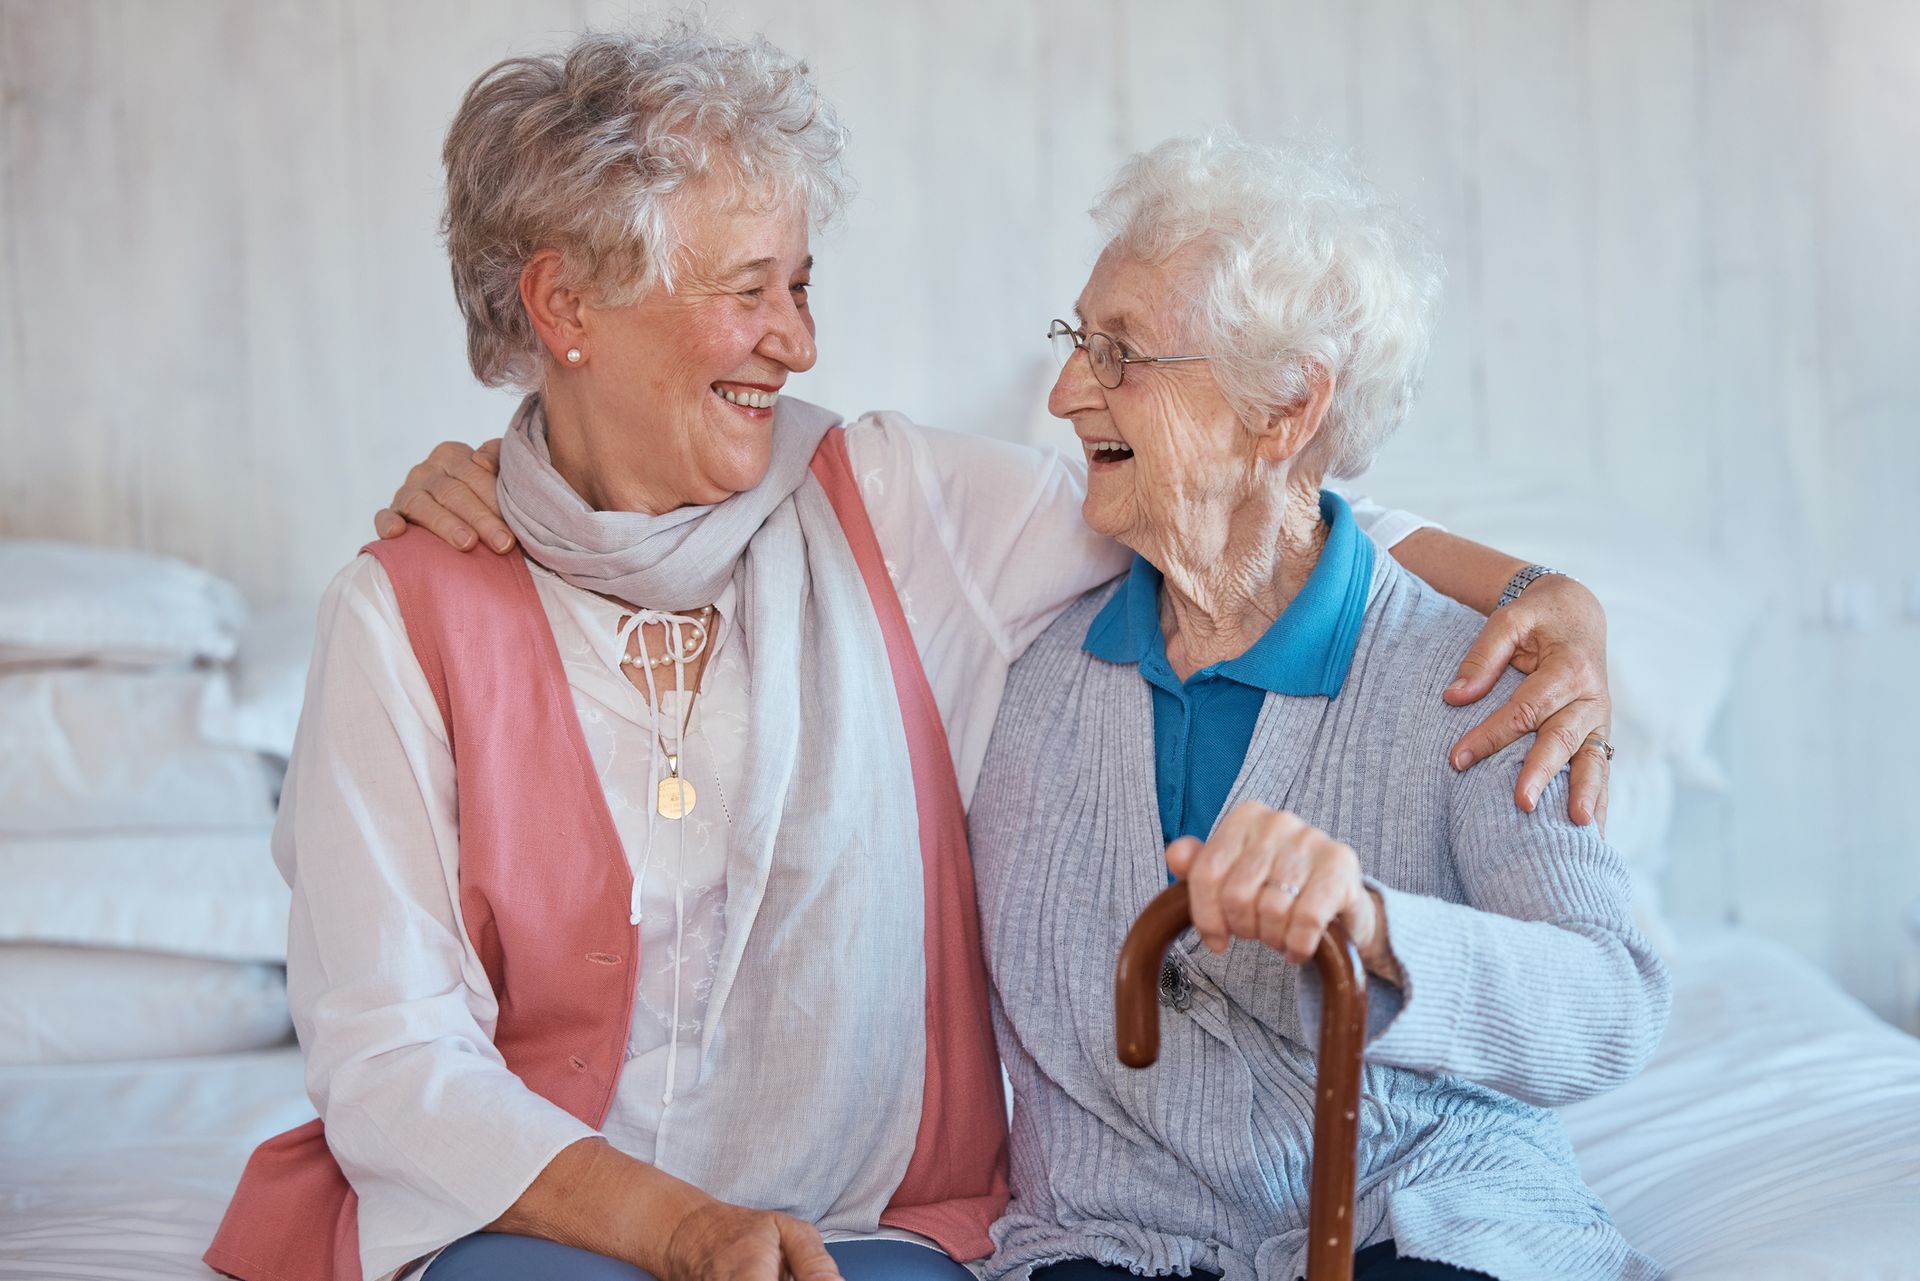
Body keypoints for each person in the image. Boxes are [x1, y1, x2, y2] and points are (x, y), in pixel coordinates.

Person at [239, 20, 1614, 1281]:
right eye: (748, 288)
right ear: (565, 309)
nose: (799, 338)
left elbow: (1245, 503)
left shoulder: (895, 503)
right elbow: (388, 1052)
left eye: (802, 282)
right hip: (546, 1223)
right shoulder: (406, 609)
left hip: (872, 1227)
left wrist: (1540, 590)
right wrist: (685, 1231)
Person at [966, 133, 1667, 1281]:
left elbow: (1610, 1004)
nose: (1062, 391)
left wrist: (1379, 928)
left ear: (1284, 407)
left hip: (1424, 1218)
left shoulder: (1476, 678)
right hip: (1109, 1246)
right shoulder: (1035, 679)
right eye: (1075, 340)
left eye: (1119, 352)